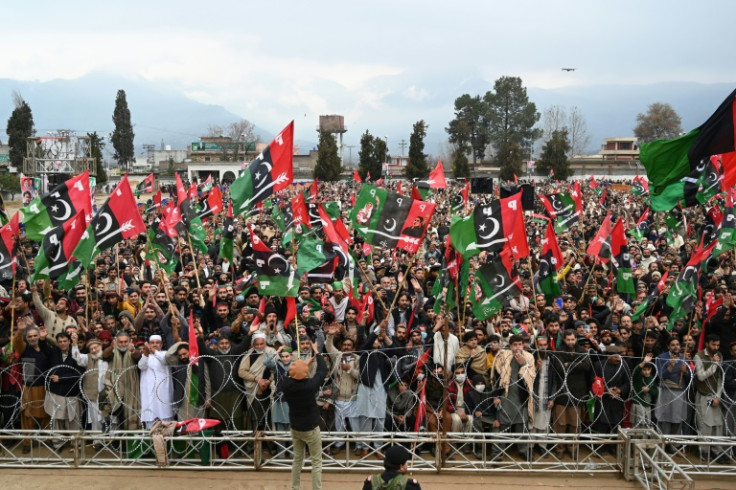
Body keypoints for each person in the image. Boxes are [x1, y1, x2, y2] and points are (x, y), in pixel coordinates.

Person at [282, 342, 328, 490]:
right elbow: (323, 370)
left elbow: (292, 374)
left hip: (295, 427)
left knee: (297, 460)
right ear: (306, 373)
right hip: (311, 428)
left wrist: (305, 364)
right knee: (316, 462)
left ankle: (295, 487)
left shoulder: (286, 384)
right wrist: (317, 351)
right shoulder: (310, 385)